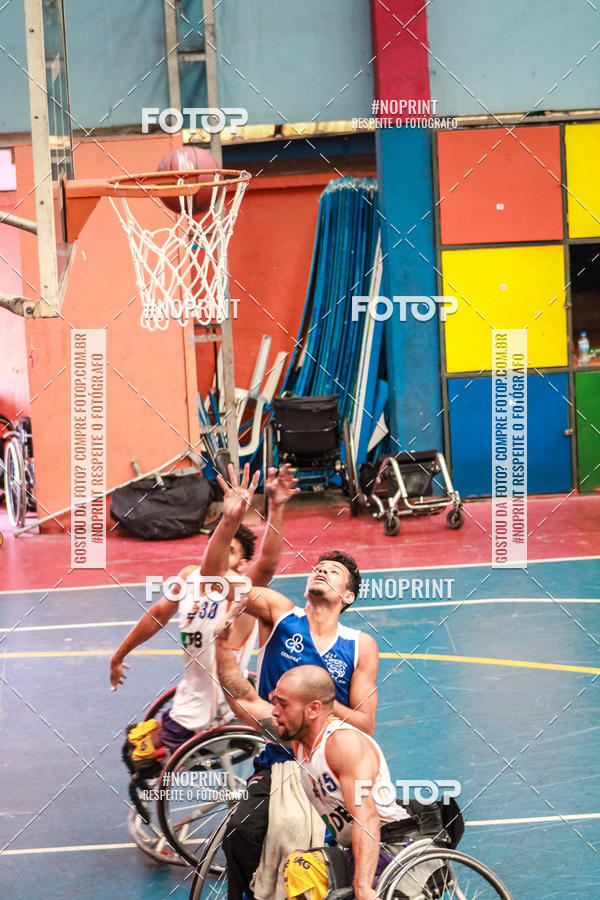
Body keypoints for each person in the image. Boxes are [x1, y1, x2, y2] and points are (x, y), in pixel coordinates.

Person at [203, 463, 380, 899]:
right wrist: (231, 520)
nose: (321, 570)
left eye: (333, 572)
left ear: (347, 596)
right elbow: (217, 582)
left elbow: (365, 724)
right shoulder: (280, 614)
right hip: (280, 760)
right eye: (318, 567)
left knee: (321, 865)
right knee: (241, 834)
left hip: (330, 767)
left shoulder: (359, 645)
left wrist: (313, 698)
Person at [109, 464, 298, 751]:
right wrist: (119, 654)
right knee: (132, 748)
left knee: (143, 759)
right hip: (188, 701)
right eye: (217, 544)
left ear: (244, 564)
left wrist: (276, 506)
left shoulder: (243, 588)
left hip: (217, 711)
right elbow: (157, 615)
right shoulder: (189, 577)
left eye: (230, 550)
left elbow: (269, 562)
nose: (220, 549)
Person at [214, 647, 411, 900]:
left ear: (313, 709)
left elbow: (367, 818)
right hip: (352, 849)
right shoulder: (300, 741)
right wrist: (222, 646)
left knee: (302, 869)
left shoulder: (344, 745)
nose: (274, 710)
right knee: (298, 865)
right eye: (275, 702)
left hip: (388, 847)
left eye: (282, 704)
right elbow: (247, 701)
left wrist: (362, 888)